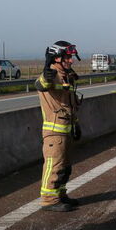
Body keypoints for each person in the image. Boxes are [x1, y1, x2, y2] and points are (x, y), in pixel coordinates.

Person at [35, 41, 82, 212]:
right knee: (54, 165)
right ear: (56, 58)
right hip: (55, 132)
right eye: (68, 57)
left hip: (66, 130)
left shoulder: (66, 76)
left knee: (64, 166)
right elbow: (41, 84)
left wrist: (76, 124)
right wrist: (45, 76)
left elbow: (70, 104)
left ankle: (60, 194)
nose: (71, 60)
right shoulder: (51, 75)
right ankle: (49, 199)